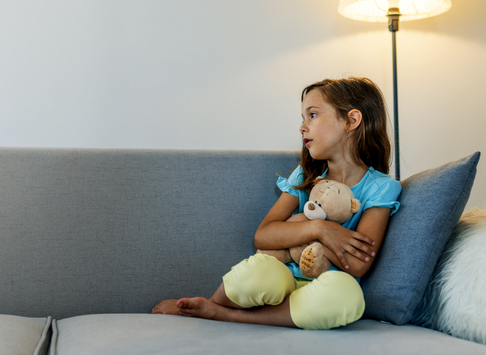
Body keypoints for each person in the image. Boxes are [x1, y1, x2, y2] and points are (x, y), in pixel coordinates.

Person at [152, 77, 401, 330]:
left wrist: (306, 235)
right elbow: (264, 235)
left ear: (351, 120)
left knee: (347, 297)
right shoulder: (305, 176)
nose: (303, 127)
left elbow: (358, 264)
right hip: (286, 278)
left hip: (327, 285)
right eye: (302, 118)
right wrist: (320, 229)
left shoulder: (381, 188)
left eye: (312, 115)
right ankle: (211, 304)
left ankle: (224, 314)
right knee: (257, 274)